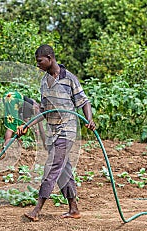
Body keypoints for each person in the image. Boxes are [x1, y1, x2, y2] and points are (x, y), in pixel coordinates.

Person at [17, 44, 96, 221]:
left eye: (40, 61)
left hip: (67, 131)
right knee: (63, 169)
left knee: (52, 166)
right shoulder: (45, 82)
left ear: (49, 58)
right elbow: (44, 111)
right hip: (54, 131)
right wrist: (27, 126)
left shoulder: (69, 79)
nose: (38, 65)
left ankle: (36, 210)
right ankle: (74, 209)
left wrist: (89, 119)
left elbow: (84, 102)